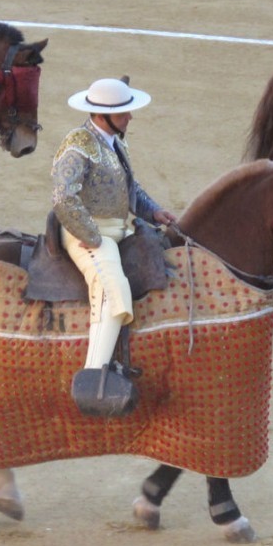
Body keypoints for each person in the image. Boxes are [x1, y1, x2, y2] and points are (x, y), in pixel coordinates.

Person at [51, 77, 177, 415]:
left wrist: (153, 211)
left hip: (123, 225)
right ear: (102, 115)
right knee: (111, 286)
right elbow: (64, 197)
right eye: (124, 113)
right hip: (91, 232)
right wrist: (90, 235)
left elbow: (129, 187)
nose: (130, 118)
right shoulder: (77, 144)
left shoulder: (112, 142)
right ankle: (94, 379)